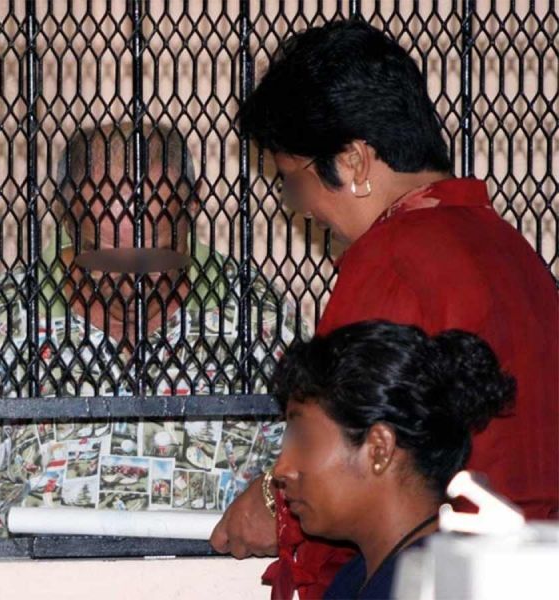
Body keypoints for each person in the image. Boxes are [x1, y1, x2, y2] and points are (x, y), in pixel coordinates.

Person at [209, 18, 558, 600]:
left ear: (353, 162)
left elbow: (348, 451)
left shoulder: (391, 261)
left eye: (293, 182)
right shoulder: (510, 248)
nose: (303, 209)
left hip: (440, 573)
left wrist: (275, 501)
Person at [0, 121, 305, 537]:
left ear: (192, 205)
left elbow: (305, 473)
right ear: (66, 213)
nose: (130, 276)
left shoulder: (258, 320)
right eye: (103, 255)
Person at [272, 320, 516, 599]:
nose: (281, 469)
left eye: (304, 439)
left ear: (379, 449)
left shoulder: (432, 588)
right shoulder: (358, 576)